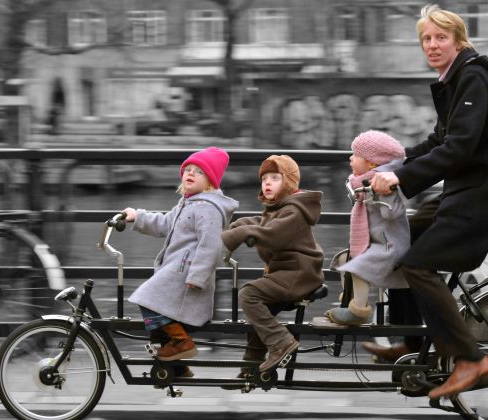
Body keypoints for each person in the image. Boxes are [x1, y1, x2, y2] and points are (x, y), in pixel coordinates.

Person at [368, 4, 488, 399]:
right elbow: (439, 141)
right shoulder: (454, 80)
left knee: (420, 266)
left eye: (441, 37)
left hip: (486, 197)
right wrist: (389, 165)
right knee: (400, 236)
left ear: (458, 41)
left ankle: (471, 359)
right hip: (466, 192)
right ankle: (410, 340)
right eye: (426, 38)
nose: (432, 45)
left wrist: (400, 179)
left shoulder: (472, 78)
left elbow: (457, 149)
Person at [123, 147, 239, 373]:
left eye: (199, 171)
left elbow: (211, 244)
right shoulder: (188, 203)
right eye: (188, 169)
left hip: (187, 275)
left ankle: (181, 343)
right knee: (155, 313)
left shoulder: (208, 208)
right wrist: (138, 216)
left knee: (147, 298)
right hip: (176, 272)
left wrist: (198, 276)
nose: (191, 173)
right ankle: (177, 366)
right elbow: (166, 223)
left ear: (210, 181)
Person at [221, 155, 324, 373]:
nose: (267, 182)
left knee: (250, 294)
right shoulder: (281, 208)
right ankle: (251, 367)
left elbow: (273, 234)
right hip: (291, 272)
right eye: (264, 178)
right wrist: (240, 224)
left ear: (289, 182)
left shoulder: (293, 210)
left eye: (275, 178)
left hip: (298, 273)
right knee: (261, 310)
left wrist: (240, 233)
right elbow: (264, 223)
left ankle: (281, 342)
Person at [324, 130, 410, 325]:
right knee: (344, 260)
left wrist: (378, 195)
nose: (350, 158)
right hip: (377, 242)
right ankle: (348, 299)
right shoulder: (361, 183)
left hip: (390, 245)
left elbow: (392, 213)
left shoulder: (382, 184)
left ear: (371, 163)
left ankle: (358, 311)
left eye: (355, 155)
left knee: (359, 266)